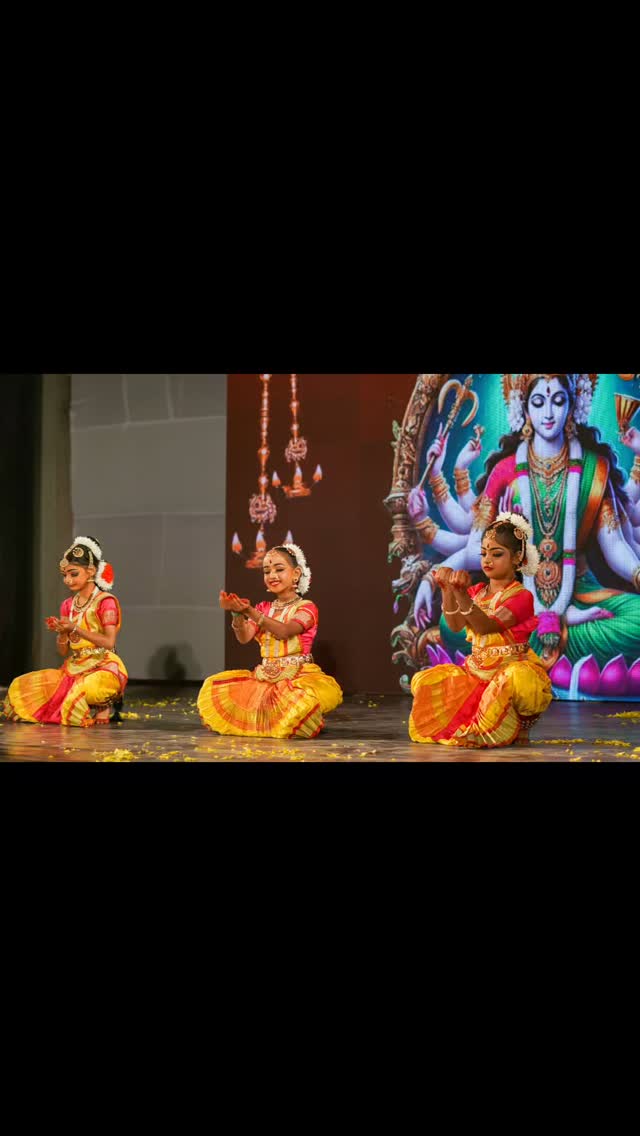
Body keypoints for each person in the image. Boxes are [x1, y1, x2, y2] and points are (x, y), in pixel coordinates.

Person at [411, 375, 640, 672]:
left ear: (572, 407)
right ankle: (561, 651)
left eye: (558, 401)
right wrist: (430, 579)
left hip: (582, 597)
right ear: (525, 408)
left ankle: (537, 646)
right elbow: (474, 550)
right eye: (538, 402)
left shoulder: (593, 468)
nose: (548, 414)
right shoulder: (505, 472)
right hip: (517, 601)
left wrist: (637, 574)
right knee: (452, 625)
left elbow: (614, 546)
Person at [409, 513, 552, 747]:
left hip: (507, 673)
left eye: (496, 554)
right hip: (476, 674)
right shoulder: (477, 591)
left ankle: (516, 726)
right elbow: (455, 626)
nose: (487, 560)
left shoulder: (521, 596)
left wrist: (461, 594)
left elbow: (486, 626)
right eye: (484, 553)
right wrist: (447, 590)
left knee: (517, 679)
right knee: (424, 681)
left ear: (517, 558)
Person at [197, 543, 343, 738]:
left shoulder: (306, 608)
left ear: (296, 573)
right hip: (264, 678)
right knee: (221, 691)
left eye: (279, 569)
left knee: (297, 710)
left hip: (296, 676)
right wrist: (236, 613)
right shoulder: (263, 608)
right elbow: (244, 637)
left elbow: (284, 632)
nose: (272, 576)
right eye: (267, 571)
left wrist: (248, 610)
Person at [2, 536, 128, 727]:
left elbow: (109, 643)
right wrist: (62, 633)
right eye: (65, 575)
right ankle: (80, 701)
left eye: (73, 574)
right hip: (74, 669)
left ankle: (103, 706)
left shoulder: (105, 602)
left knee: (85, 689)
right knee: (26, 685)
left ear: (91, 571)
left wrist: (75, 628)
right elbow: (63, 652)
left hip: (103, 667)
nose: (67, 580)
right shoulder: (67, 605)